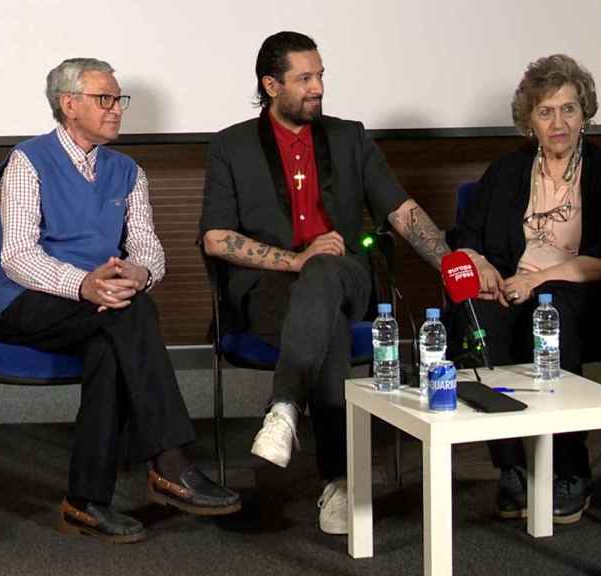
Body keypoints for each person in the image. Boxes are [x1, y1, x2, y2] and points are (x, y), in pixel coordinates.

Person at [199, 31, 452, 535]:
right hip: (270, 289)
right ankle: (339, 481)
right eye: (305, 78)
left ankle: (284, 406)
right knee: (326, 318)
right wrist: (296, 261)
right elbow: (216, 238)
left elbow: (401, 211)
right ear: (271, 85)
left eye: (321, 75)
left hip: (347, 276)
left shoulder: (348, 136)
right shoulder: (231, 146)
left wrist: (451, 263)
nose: (318, 87)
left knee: (327, 275)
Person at [0, 57, 240, 544]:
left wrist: (139, 273)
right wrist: (85, 285)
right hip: (24, 300)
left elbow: (147, 246)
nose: (117, 109)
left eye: (118, 99)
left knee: (114, 333)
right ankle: (170, 464)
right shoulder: (27, 161)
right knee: (127, 315)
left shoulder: (128, 171)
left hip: (100, 306)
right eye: (105, 99)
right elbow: (16, 256)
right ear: (69, 104)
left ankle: (86, 502)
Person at [444, 55, 601, 525]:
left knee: (552, 324)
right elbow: (464, 236)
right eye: (546, 112)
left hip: (577, 289)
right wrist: (482, 263)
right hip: (514, 284)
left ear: (584, 113)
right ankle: (511, 467)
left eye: (569, 109)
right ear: (529, 121)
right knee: (478, 320)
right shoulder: (507, 171)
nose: (559, 122)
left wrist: (538, 280)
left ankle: (571, 469)